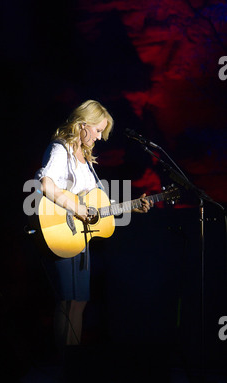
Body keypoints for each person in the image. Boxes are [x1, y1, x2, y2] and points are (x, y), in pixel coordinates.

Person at [35, 99, 152, 355]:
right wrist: (77, 209)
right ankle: (64, 365)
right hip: (62, 230)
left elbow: (97, 205)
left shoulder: (86, 160)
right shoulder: (61, 149)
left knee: (79, 302)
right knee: (68, 302)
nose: (99, 137)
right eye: (98, 130)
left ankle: (73, 362)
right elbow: (45, 184)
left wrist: (132, 206)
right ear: (83, 125)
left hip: (81, 237)